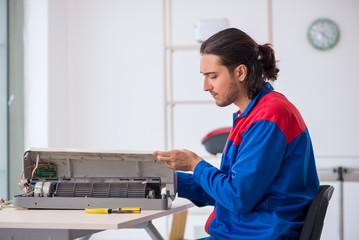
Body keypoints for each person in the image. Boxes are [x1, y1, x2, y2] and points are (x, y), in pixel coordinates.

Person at [153, 28, 319, 240]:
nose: (205, 86)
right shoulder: (252, 115)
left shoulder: (270, 117)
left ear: (240, 72)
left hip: (259, 235)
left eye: (212, 76)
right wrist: (170, 180)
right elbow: (225, 190)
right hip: (244, 232)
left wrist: (195, 164)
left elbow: (237, 198)